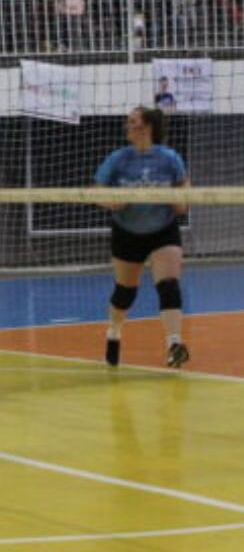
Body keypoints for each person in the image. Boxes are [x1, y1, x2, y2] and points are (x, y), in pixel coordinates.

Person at [94, 107, 191, 368]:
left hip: (163, 229)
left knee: (169, 284)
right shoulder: (119, 159)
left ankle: (174, 344)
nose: (127, 126)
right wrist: (112, 202)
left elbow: (183, 185)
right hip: (128, 231)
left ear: (146, 127)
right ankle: (114, 331)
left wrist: (182, 201)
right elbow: (97, 190)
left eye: (132, 122)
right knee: (125, 292)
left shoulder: (169, 158)